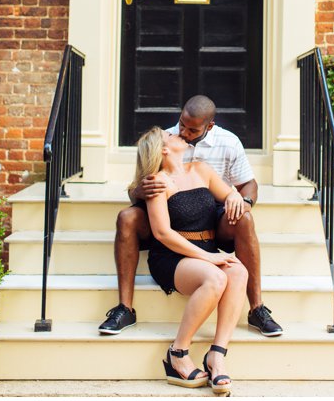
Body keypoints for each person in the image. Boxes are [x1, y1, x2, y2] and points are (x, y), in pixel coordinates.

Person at [98, 95, 282, 338]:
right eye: (180, 125)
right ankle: (125, 308)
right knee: (127, 217)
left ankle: (256, 309)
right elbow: (157, 218)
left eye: (191, 129)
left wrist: (239, 199)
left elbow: (247, 185)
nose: (182, 132)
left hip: (213, 213)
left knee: (244, 222)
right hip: (171, 220)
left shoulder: (225, 146)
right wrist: (140, 190)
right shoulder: (163, 140)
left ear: (209, 126)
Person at [132, 126, 247, 393]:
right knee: (216, 276)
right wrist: (208, 257)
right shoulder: (157, 182)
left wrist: (235, 197)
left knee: (238, 272)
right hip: (172, 256)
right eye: (169, 135)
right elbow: (162, 233)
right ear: (163, 149)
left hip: (204, 250)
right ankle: (178, 352)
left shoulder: (201, 169)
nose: (178, 134)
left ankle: (216, 355)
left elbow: (229, 193)